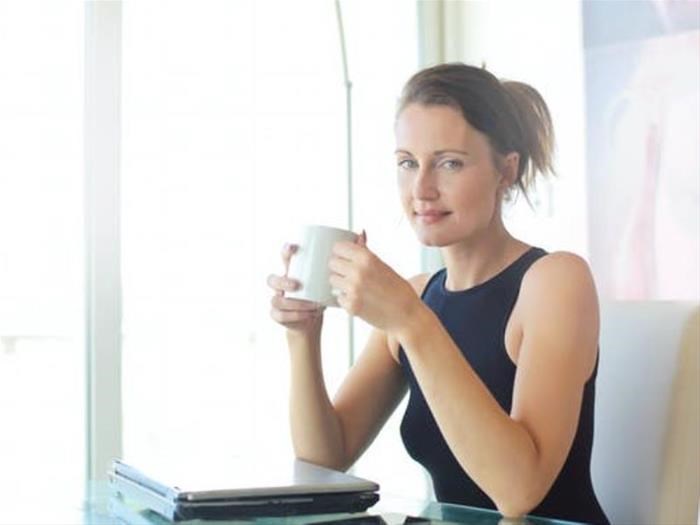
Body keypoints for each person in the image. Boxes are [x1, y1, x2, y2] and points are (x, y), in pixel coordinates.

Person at [267, 63, 609, 524]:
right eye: (408, 163)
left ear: (506, 171)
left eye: (450, 163)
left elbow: (518, 491)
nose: (422, 189)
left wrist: (409, 320)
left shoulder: (555, 281)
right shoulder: (417, 296)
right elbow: (325, 460)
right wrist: (302, 337)